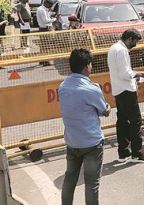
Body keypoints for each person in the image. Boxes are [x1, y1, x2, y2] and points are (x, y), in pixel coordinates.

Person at [58, 49, 110, 205]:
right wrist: (106, 106)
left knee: (69, 179)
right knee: (92, 184)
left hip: (72, 141)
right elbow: (104, 111)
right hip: (91, 143)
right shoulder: (91, 88)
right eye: (91, 64)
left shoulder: (63, 86)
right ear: (87, 66)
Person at [107, 29, 144, 163]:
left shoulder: (114, 48)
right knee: (135, 121)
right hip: (126, 90)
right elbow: (125, 74)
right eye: (135, 42)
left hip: (119, 89)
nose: (135, 45)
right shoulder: (121, 50)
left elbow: (122, 73)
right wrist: (141, 74)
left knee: (123, 122)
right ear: (129, 39)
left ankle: (123, 152)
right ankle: (137, 153)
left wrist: (135, 77)